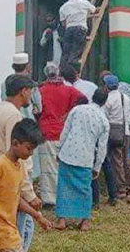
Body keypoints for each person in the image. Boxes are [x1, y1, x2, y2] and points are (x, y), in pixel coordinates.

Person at [0, 119, 52, 252]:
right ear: (15, 143)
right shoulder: (0, 166)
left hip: (9, 231)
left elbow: (16, 198)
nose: (31, 153)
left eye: (33, 150)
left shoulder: (18, 166)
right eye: (29, 148)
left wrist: (37, 216)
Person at [0, 74, 42, 252]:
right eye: (30, 91)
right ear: (23, 91)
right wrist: (29, 194)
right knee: (19, 228)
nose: (31, 96)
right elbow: (18, 156)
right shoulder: (14, 116)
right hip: (10, 178)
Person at [55, 88, 110, 231]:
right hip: (86, 158)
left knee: (64, 187)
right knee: (85, 190)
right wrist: (97, 167)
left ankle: (62, 220)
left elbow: (65, 131)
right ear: (104, 102)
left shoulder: (77, 110)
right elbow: (102, 148)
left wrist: (59, 149)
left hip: (68, 153)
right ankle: (84, 221)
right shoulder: (104, 120)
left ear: (92, 97)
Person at [38, 63, 84, 206]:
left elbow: (37, 110)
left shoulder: (41, 90)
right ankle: (64, 196)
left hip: (46, 132)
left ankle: (49, 199)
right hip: (64, 132)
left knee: (48, 167)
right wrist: (69, 113)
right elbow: (83, 100)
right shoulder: (69, 90)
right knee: (63, 166)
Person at [101, 74, 130, 199]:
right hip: (126, 131)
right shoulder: (125, 97)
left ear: (106, 86)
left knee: (116, 160)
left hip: (114, 133)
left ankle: (121, 189)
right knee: (126, 159)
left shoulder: (107, 99)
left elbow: (105, 117)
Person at [59, 0, 96, 67]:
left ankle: (63, 68)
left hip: (69, 30)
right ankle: (72, 68)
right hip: (80, 28)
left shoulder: (63, 7)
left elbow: (63, 23)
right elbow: (94, 10)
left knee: (66, 51)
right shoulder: (84, 3)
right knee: (76, 50)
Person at [0, 53, 42, 121]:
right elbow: (39, 108)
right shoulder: (31, 84)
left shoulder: (4, 84)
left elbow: (4, 101)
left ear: (13, 67)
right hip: (28, 121)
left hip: (10, 120)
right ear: (28, 67)